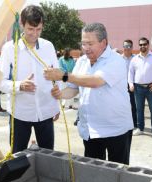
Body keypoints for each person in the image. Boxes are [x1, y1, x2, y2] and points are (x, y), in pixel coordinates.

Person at [44, 23, 134, 165]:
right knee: (93, 175)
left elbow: (96, 81)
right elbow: (74, 88)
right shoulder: (81, 62)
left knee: (118, 175)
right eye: (83, 43)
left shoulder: (116, 60)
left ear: (104, 43)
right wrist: (60, 94)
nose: (86, 48)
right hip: (90, 131)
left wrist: (64, 75)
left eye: (90, 43)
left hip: (115, 130)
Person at [0, 5, 60, 153]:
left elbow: (56, 77)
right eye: (30, 29)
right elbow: (0, 82)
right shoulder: (9, 48)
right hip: (19, 114)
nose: (34, 34)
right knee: (17, 156)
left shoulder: (48, 46)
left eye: (39, 29)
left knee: (48, 156)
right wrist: (20, 86)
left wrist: (56, 104)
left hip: (46, 112)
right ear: (22, 25)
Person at [128, 37, 152, 138]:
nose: (142, 46)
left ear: (148, 45)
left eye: (144, 44)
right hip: (138, 88)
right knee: (139, 109)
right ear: (139, 46)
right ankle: (140, 128)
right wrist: (131, 84)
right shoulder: (134, 59)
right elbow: (130, 73)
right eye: (141, 44)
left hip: (151, 87)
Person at [122, 39, 137, 131]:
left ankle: (134, 123)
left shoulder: (136, 58)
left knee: (133, 105)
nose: (126, 48)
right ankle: (123, 123)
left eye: (129, 46)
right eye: (125, 46)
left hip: (133, 85)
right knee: (122, 105)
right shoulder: (119, 58)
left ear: (132, 48)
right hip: (121, 85)